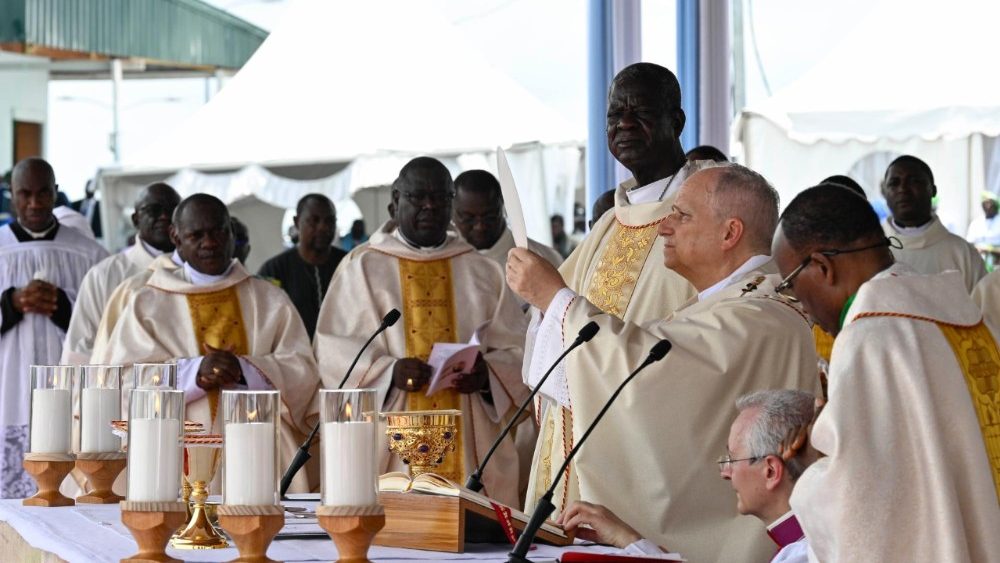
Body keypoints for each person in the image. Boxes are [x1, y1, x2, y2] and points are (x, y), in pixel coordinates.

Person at [507, 164, 820, 562]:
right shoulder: (731, 303)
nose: (663, 228)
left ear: (730, 233)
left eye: (681, 215)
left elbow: (648, 375)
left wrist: (556, 300)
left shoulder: (760, 316)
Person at [772, 184, 1000, 562]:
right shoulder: (962, 317)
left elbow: (862, 512)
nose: (806, 311)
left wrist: (807, 467)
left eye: (791, 286)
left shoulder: (871, 339)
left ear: (823, 267)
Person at [524, 62, 711, 519]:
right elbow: (552, 319)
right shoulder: (611, 219)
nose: (624, 124)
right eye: (614, 115)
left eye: (641, 111)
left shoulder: (705, 211)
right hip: (576, 434)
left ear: (677, 122)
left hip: (652, 442)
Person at [313, 157, 529, 508]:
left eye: (440, 197)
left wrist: (487, 375)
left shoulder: (483, 271)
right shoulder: (362, 268)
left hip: (470, 444)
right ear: (395, 201)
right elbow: (331, 351)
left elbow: (520, 351)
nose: (430, 205)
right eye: (418, 196)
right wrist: (389, 371)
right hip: (388, 444)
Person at [91, 194, 320, 493]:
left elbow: (303, 369)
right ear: (176, 237)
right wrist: (195, 372)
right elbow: (122, 380)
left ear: (231, 232)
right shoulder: (148, 302)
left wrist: (244, 370)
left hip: (262, 450)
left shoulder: (268, 299)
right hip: (174, 451)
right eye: (196, 235)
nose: (210, 242)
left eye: (219, 231)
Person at [559, 389, 816, 562]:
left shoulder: (809, 552)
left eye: (731, 459)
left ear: (770, 471)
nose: (725, 473)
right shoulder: (810, 539)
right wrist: (628, 540)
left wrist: (630, 542)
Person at [0, 158, 108, 497]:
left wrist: (63, 306)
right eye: (25, 194)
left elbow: (106, 323)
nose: (34, 203)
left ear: (56, 193)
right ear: (12, 196)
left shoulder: (89, 254)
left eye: (43, 193)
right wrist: (11, 304)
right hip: (8, 388)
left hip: (70, 389)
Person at [61, 183, 181, 364]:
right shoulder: (104, 275)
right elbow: (80, 349)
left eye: (171, 210)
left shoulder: (198, 272)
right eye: (153, 210)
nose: (164, 216)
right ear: (135, 219)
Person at [880, 155, 986, 292]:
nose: (903, 189)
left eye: (914, 181)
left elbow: (985, 308)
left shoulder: (963, 254)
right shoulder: (870, 250)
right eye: (894, 183)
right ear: (885, 192)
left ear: (933, 190)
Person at [258, 194, 347, 339]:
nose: (323, 227)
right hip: (291, 356)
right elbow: (263, 321)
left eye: (329, 221)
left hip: (344, 356)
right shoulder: (274, 270)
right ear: (297, 221)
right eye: (314, 221)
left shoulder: (350, 264)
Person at [453, 169, 562, 270]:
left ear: (503, 208)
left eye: (489, 216)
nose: (480, 226)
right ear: (451, 213)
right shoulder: (442, 261)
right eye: (468, 218)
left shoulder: (543, 259)